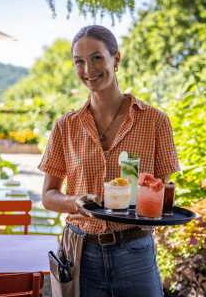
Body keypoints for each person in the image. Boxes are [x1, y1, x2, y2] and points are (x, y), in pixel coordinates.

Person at [39, 25, 180, 297]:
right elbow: (48, 196)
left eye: (96, 57)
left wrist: (152, 198)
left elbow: (163, 192)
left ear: (116, 58)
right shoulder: (64, 126)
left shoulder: (155, 122)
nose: (88, 69)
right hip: (80, 253)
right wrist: (75, 202)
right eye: (79, 61)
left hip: (135, 253)